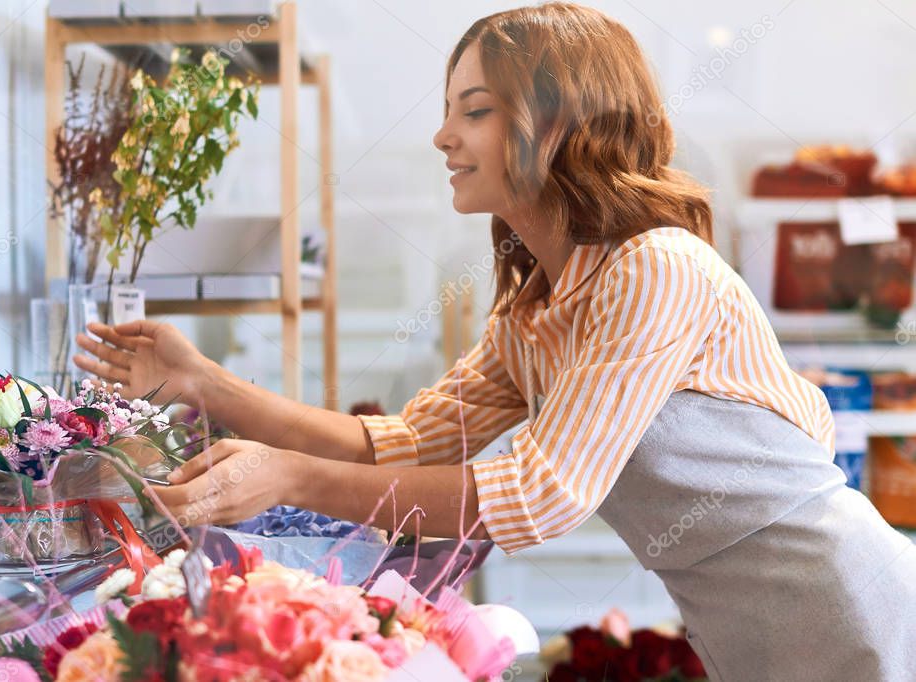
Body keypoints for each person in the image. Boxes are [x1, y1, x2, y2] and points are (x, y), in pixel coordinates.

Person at [74, 4, 916, 679]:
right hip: (736, 622)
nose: (443, 137)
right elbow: (398, 445)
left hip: (840, 601)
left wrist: (289, 477)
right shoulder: (532, 310)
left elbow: (544, 493)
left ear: (560, 124)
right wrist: (206, 383)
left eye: (474, 112)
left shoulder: (657, 268)